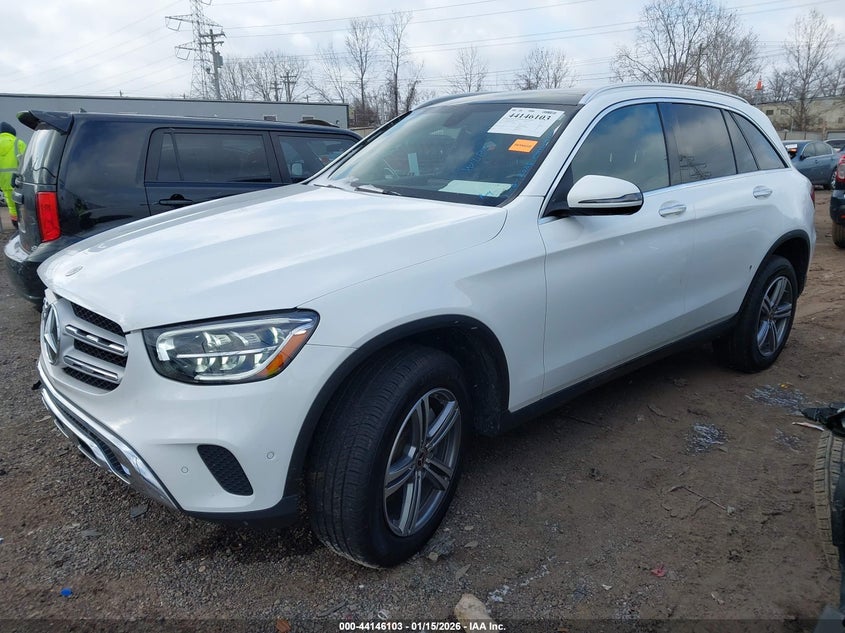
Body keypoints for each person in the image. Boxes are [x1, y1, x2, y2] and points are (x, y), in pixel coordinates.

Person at [0, 122, 27, 229]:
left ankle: (16, 227)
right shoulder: (18, 143)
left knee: (12, 207)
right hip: (18, 181)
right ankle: (25, 228)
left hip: (3, 182)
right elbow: (27, 161)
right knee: (24, 206)